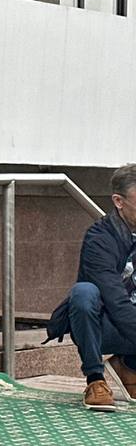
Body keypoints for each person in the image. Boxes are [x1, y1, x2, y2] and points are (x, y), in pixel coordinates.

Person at [46, 163, 136, 411]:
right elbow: (116, 302)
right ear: (119, 201)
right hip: (105, 326)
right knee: (83, 293)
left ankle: (129, 367)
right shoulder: (99, 238)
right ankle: (95, 380)